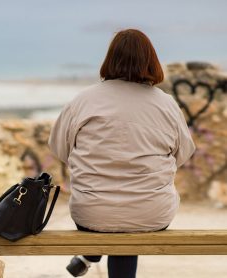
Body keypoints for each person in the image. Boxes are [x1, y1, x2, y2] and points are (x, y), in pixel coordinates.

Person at [47, 29, 196, 278]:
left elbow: (60, 150)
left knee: (115, 219)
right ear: (151, 60)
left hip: (91, 213)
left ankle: (91, 254)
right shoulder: (166, 104)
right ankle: (91, 255)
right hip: (152, 212)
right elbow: (183, 153)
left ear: (110, 59)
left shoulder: (83, 101)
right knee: (131, 218)